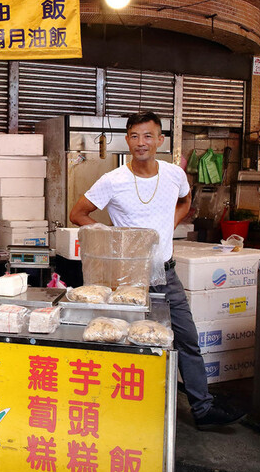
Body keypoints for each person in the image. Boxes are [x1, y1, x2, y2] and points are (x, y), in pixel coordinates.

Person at [69, 111, 245, 430]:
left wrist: (169, 224)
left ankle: (202, 409)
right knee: (123, 342)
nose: (141, 143)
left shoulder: (174, 174)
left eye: (148, 136)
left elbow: (185, 201)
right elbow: (77, 213)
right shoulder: (113, 180)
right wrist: (118, 239)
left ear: (160, 140)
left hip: (166, 274)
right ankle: (116, 412)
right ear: (127, 140)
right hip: (127, 279)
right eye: (135, 136)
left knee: (187, 338)